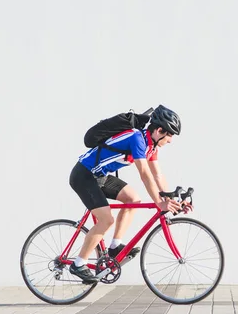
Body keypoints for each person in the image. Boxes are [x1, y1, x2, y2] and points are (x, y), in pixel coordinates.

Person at [68, 105, 191, 283]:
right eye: (170, 135)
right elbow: (144, 174)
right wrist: (158, 202)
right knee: (106, 220)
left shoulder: (151, 146)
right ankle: (79, 264)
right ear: (159, 130)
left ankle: (114, 247)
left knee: (133, 199)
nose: (170, 140)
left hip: (100, 177)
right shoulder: (137, 138)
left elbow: (157, 175)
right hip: (84, 176)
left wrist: (172, 200)